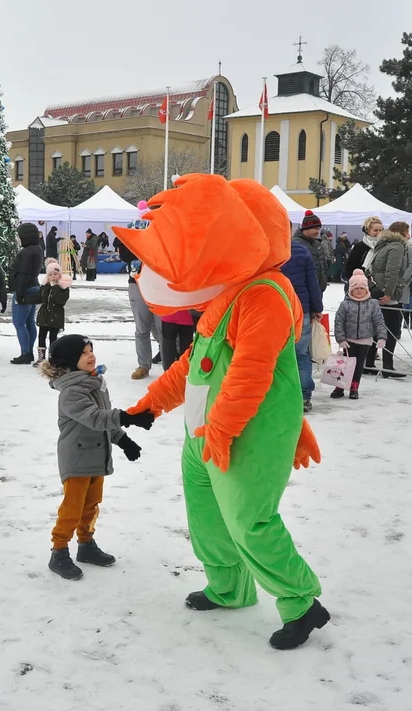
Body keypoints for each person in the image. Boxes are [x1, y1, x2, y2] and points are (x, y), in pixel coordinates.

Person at [116, 174, 327, 651]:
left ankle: (301, 600)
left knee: (250, 519)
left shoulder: (266, 295)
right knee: (208, 518)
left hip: (242, 433)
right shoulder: (230, 295)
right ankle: (230, 587)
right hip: (202, 431)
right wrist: (147, 408)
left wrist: (225, 430)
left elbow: (251, 373)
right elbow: (195, 364)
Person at [40, 334, 153, 580]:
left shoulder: (95, 383)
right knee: (72, 508)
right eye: (83, 353)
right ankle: (58, 551)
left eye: (91, 350)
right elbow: (96, 418)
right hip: (77, 458)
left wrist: (123, 440)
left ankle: (86, 545)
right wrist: (128, 417)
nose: (90, 355)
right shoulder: (70, 392)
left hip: (96, 455)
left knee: (91, 505)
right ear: (69, 361)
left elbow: (103, 420)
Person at [281, 229, 323, 411]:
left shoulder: (265, 251)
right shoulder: (301, 251)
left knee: (276, 354)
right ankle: (304, 396)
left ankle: (280, 394)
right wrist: (317, 308)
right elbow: (312, 282)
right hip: (301, 308)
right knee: (301, 353)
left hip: (275, 308)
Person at [365, 221, 411, 379]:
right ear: (402, 233)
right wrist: (390, 292)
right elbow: (393, 270)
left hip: (377, 292)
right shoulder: (397, 246)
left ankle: (368, 363)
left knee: (375, 329)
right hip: (388, 295)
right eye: (407, 231)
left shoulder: (383, 243)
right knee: (392, 330)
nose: (409, 235)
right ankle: (388, 366)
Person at [333, 270, 388, 399]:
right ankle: (340, 386)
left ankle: (354, 386)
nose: (359, 290)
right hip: (348, 341)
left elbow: (379, 321)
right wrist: (340, 338)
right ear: (350, 289)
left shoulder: (372, 304)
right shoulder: (345, 304)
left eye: (361, 288)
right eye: (356, 288)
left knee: (358, 366)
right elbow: (339, 321)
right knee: (344, 365)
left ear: (367, 289)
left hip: (365, 341)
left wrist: (381, 337)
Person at [119, 241, 162, 380]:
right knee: (142, 327)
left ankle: (171, 362)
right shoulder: (134, 231)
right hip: (136, 283)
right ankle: (143, 365)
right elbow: (124, 256)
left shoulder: (161, 232)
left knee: (162, 328)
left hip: (159, 284)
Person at [9, 222, 44, 365]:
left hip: (25, 288)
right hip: (34, 286)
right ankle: (28, 351)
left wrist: (20, 293)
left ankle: (26, 353)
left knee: (19, 323)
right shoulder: (38, 249)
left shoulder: (26, 252)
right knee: (29, 321)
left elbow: (24, 273)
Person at [36, 259, 71, 366]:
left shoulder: (63, 287)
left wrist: (55, 287)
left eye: (55, 274)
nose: (53, 276)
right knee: (41, 336)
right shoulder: (45, 286)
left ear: (59, 274)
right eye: (50, 274)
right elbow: (39, 298)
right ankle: (41, 358)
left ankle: (52, 357)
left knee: (53, 338)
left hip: (56, 317)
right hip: (44, 316)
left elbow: (61, 301)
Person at [292, 210, 329, 292]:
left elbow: (324, 265)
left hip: (318, 290)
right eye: (315, 228)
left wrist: (323, 280)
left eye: (319, 228)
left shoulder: (317, 244)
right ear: (306, 228)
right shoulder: (296, 244)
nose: (317, 231)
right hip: (303, 291)